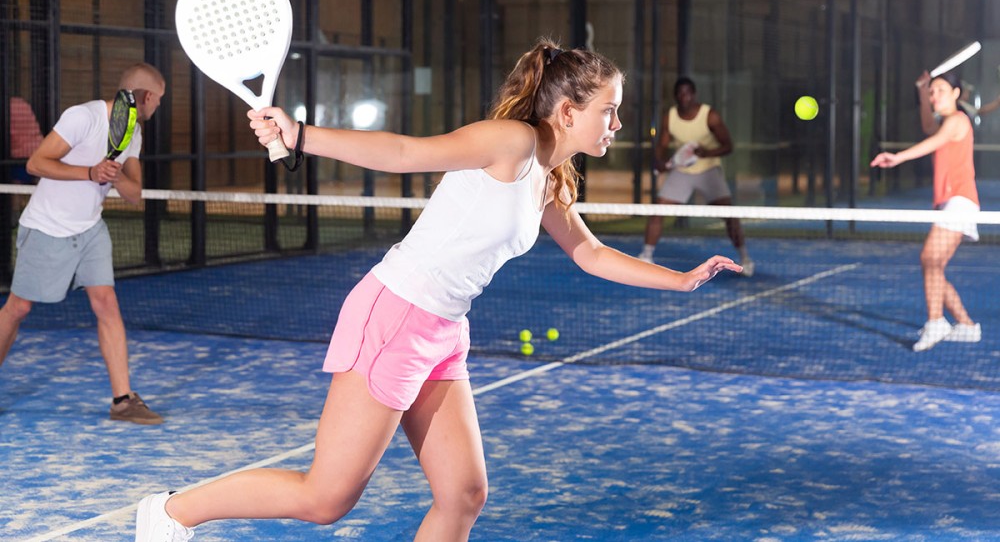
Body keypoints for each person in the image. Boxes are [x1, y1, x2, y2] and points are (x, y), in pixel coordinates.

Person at [134, 40, 742, 540]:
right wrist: (301, 135)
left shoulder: (548, 176)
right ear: (566, 112)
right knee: (325, 500)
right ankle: (169, 514)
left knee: (464, 494)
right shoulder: (512, 142)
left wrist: (681, 279)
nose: (617, 121)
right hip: (396, 315)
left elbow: (589, 252)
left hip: (445, 331)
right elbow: (406, 152)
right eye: (609, 109)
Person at [0, 63, 166, 423]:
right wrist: (89, 173)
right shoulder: (82, 117)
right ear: (148, 96)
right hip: (47, 227)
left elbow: (135, 194)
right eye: (159, 100)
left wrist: (116, 175)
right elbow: (35, 163)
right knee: (18, 309)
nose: (158, 108)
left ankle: (123, 401)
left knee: (106, 302)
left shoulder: (133, 133)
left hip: (90, 229)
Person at [871, 70, 981, 352]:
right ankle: (967, 326)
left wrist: (899, 157)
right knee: (934, 265)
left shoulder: (958, 121)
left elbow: (934, 141)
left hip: (960, 200)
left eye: (940, 90)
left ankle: (936, 322)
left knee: (928, 259)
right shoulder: (945, 122)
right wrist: (922, 90)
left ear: (956, 94)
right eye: (933, 92)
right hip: (951, 202)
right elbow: (927, 126)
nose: (935, 96)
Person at [636, 77, 754, 276]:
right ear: (675, 96)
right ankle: (646, 255)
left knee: (729, 216)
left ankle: (745, 259)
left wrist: (706, 153)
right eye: (680, 94)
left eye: (687, 93)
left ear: (694, 94)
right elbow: (662, 145)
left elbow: (728, 146)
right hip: (682, 171)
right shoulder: (670, 117)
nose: (684, 97)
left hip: (709, 171)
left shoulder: (710, 116)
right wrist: (659, 160)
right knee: (658, 210)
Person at [8, 97, 45, 183]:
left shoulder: (6, 107)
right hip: (38, 151)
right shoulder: (21, 103)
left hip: (18, 158)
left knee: (15, 185)